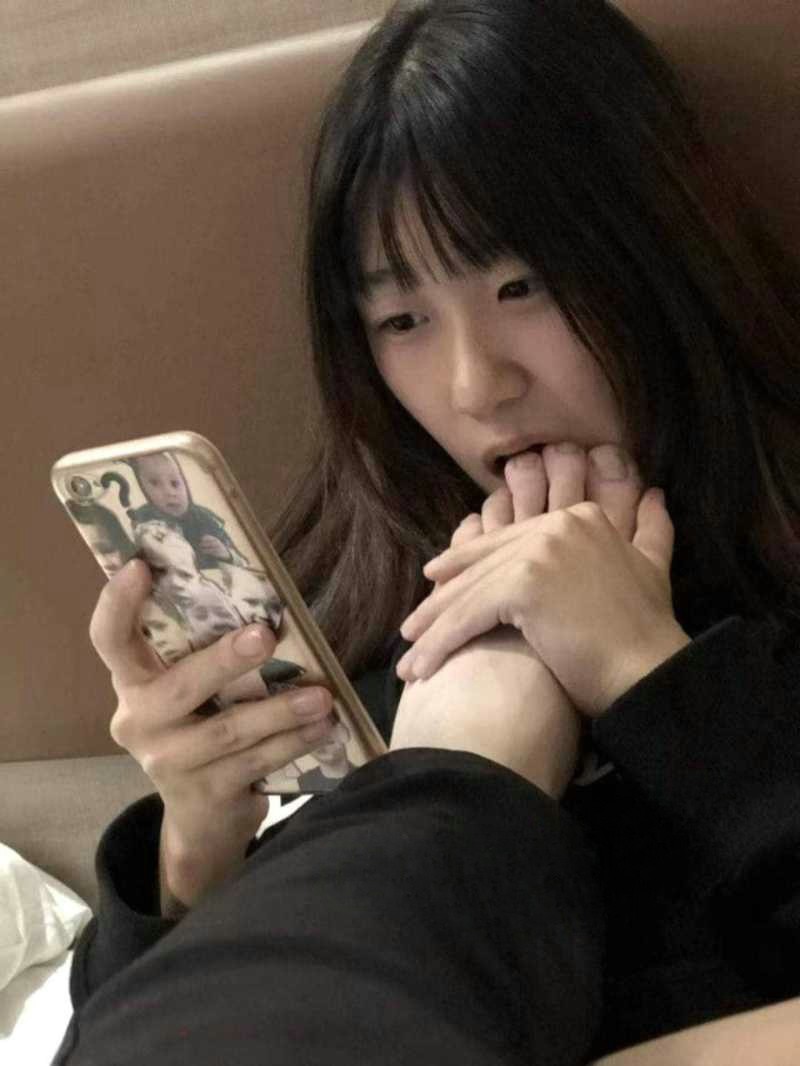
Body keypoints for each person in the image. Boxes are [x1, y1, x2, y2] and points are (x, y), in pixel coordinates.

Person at [54, 1, 800, 1063]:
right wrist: (195, 850)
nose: (473, 385)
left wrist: (646, 671)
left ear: (654, 251)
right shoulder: (365, 612)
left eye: (523, 286)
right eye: (401, 320)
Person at [128, 451, 250, 569]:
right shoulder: (143, 523)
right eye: (155, 483)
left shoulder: (204, 519)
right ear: (141, 488)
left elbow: (245, 565)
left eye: (175, 483)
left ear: (186, 484)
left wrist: (227, 554)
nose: (170, 493)